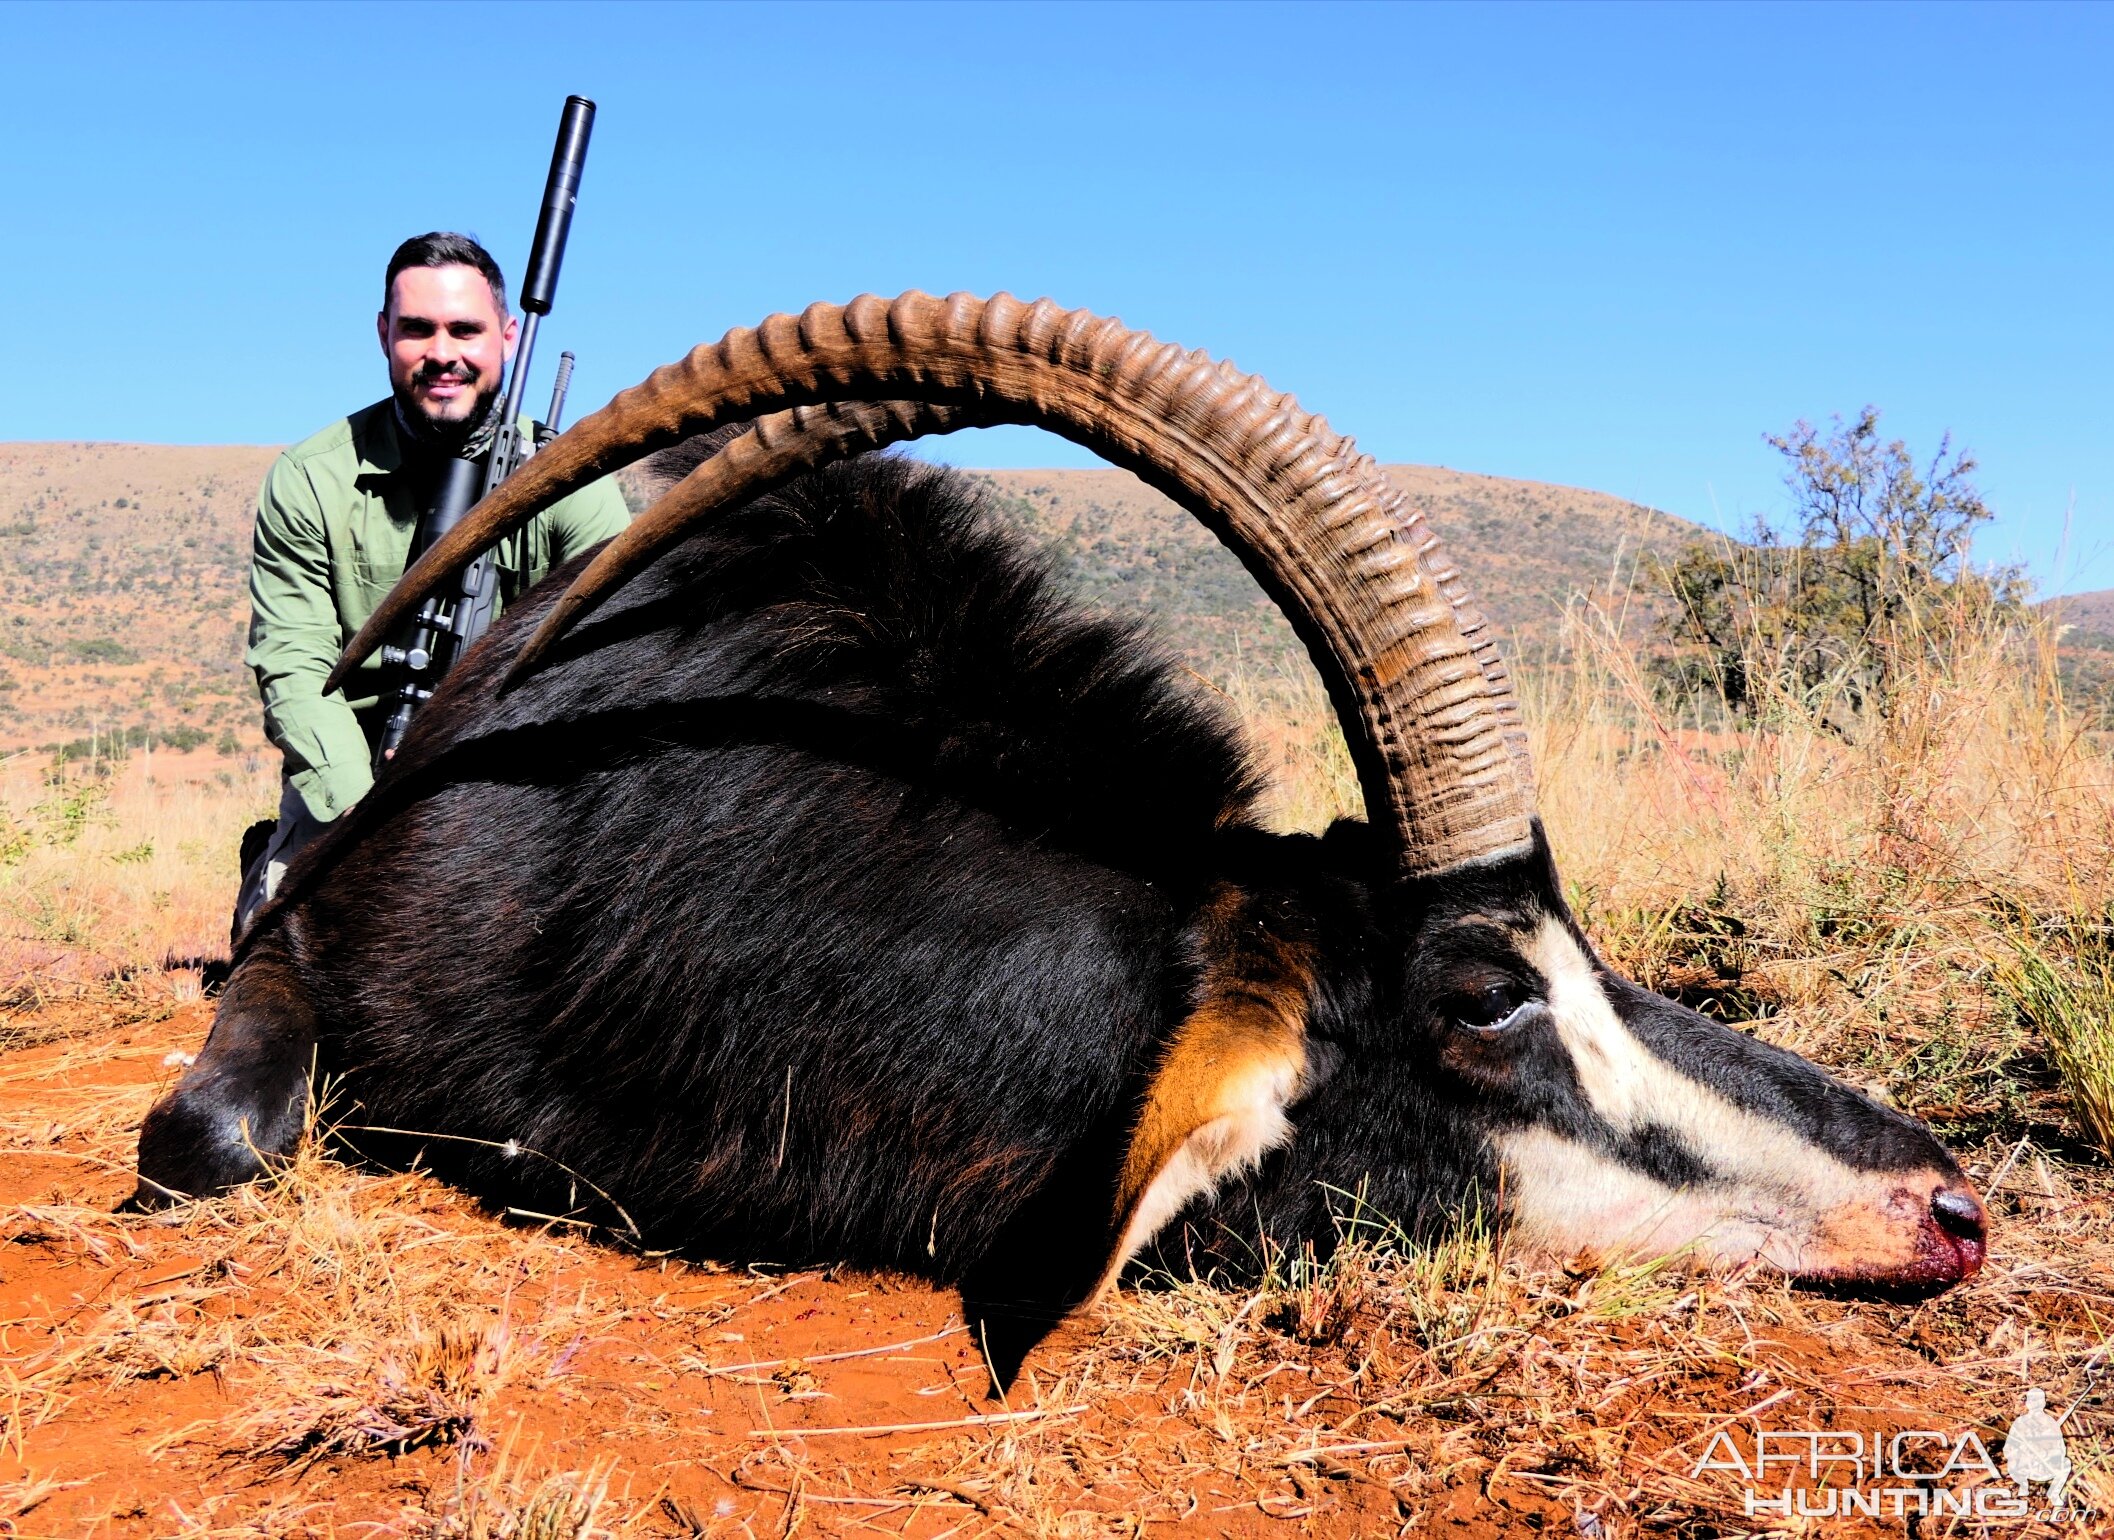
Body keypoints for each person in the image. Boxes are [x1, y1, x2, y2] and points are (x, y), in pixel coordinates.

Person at [233, 232, 630, 938]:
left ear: (508, 336)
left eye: (465, 330)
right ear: (385, 334)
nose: (442, 353)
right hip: (354, 778)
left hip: (508, 773)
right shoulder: (309, 478)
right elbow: (292, 661)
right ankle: (275, 857)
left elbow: (608, 663)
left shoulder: (571, 479)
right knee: (285, 954)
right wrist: (363, 811)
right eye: (417, 329)